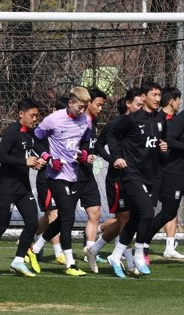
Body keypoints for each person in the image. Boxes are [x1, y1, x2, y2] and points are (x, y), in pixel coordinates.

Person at [105, 81, 167, 278]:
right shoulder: (131, 119)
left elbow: (159, 143)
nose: (158, 98)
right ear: (144, 96)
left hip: (150, 175)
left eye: (160, 95)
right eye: (154, 94)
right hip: (131, 174)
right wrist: (116, 156)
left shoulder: (161, 119)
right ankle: (140, 253)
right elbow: (111, 133)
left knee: (137, 217)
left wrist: (163, 148)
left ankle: (115, 256)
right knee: (148, 213)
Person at [144, 83, 184, 266]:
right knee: (168, 212)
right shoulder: (182, 118)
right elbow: (170, 140)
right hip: (174, 173)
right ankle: (143, 242)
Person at [30, 86, 92, 277]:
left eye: (84, 107)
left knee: (64, 217)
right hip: (56, 176)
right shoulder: (53, 120)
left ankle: (33, 249)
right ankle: (70, 264)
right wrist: (49, 158)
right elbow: (36, 140)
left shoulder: (86, 120)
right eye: (79, 107)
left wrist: (84, 153)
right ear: (70, 103)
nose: (81, 111)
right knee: (68, 218)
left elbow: (85, 142)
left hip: (75, 175)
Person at [0, 98, 45, 278]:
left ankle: (18, 260)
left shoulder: (31, 134)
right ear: (21, 114)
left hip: (23, 188)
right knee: (1, 226)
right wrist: (24, 161)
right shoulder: (12, 131)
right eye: (32, 115)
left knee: (32, 223)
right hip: (6, 188)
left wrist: (35, 163)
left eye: (36, 116)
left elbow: (28, 154)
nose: (35, 119)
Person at [84, 88, 144, 275]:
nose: (142, 109)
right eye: (139, 105)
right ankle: (129, 261)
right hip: (118, 178)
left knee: (128, 219)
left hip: (137, 176)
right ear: (128, 104)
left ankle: (94, 249)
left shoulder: (145, 124)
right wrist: (113, 161)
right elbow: (99, 146)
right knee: (125, 218)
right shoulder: (116, 124)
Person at [146, 86, 184, 261]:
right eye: (179, 99)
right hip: (154, 172)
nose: (180, 103)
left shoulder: (177, 121)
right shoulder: (155, 119)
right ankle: (140, 245)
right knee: (149, 209)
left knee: (171, 208)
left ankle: (170, 246)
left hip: (171, 172)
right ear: (172, 101)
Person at [31, 97, 68, 265]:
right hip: (46, 178)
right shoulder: (44, 128)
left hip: (63, 177)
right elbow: (33, 144)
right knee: (54, 213)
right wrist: (42, 159)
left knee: (52, 215)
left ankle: (28, 238)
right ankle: (58, 252)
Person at [80, 87, 107, 264]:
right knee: (57, 215)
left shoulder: (94, 123)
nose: (101, 108)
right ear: (88, 103)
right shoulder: (78, 122)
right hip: (70, 174)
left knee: (95, 213)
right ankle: (35, 244)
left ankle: (90, 250)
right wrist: (82, 156)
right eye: (98, 104)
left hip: (86, 174)